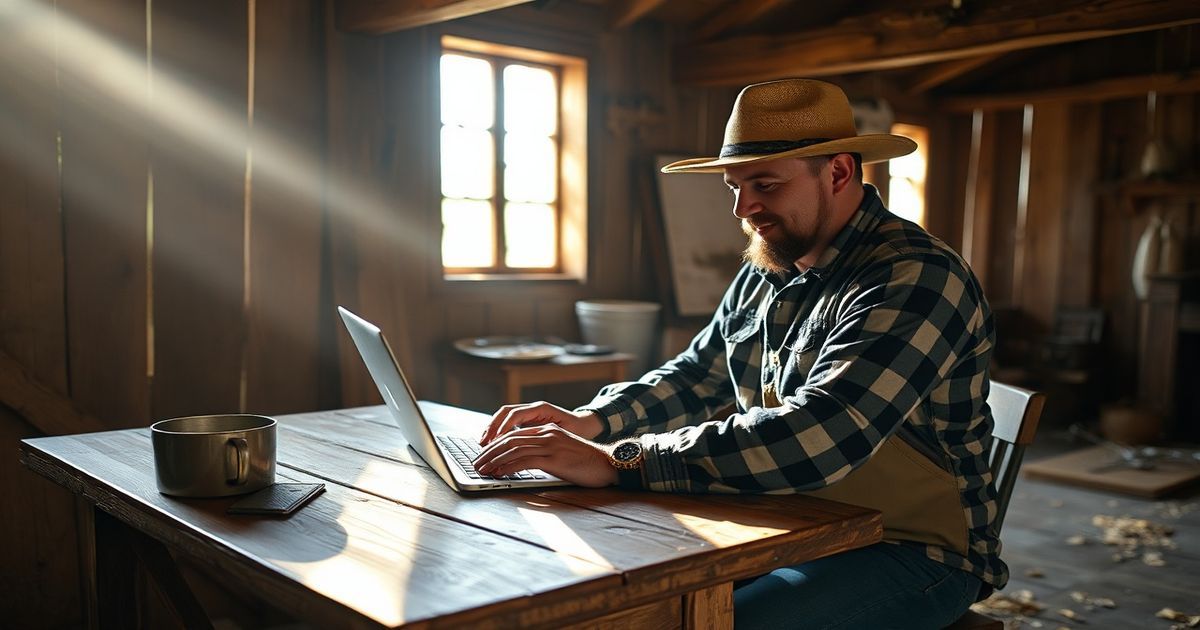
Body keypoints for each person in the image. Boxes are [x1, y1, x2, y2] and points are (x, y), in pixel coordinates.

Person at [473, 78, 1005, 629]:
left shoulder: (915, 276)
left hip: (912, 548)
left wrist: (619, 460)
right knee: (614, 597)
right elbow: (698, 376)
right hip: (792, 517)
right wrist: (591, 422)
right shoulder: (770, 263)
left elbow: (819, 437)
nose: (742, 208)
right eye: (734, 186)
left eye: (765, 185)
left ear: (840, 172)